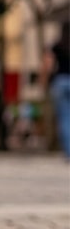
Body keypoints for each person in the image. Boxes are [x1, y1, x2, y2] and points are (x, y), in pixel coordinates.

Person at [43, 21, 70, 159]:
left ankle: (68, 152)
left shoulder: (57, 46)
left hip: (60, 82)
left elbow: (48, 65)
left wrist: (45, 81)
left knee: (65, 118)